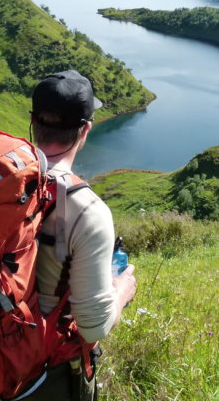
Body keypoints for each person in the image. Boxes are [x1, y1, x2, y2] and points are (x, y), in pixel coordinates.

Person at [27, 70, 137, 401]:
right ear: (85, 129)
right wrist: (122, 291)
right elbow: (93, 326)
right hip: (45, 369)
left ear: (33, 121)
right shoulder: (88, 211)